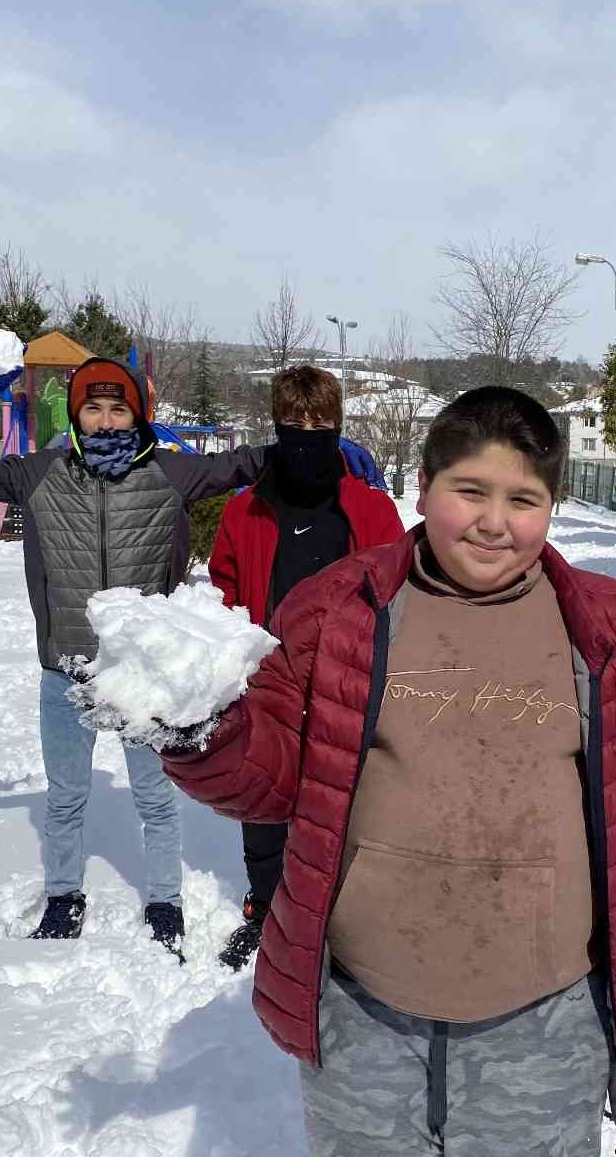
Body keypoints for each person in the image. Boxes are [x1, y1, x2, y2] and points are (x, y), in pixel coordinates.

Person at [159, 387, 616, 1155]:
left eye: (523, 499)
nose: (494, 522)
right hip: (363, 1011)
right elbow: (272, 781)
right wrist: (200, 733)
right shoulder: (337, 614)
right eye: (469, 491)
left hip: (547, 1024)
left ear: (552, 505)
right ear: (425, 486)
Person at [0, 349, 265, 960]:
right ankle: (64, 896)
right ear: (77, 415)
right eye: (94, 409)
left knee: (155, 797)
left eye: (118, 409)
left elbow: (246, 465)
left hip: (142, 677)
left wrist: (311, 449)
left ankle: (164, 900)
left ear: (137, 416)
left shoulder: (170, 473)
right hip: (65, 670)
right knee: (64, 795)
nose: (107, 421)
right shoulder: (38, 473)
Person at [206, 364, 404, 970]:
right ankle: (266, 908)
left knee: (346, 801)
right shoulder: (247, 512)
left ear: (338, 429)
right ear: (275, 425)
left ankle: (343, 915)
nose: (305, 434)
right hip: (271, 677)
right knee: (265, 798)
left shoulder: (369, 508)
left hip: (349, 679)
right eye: (292, 423)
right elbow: (224, 588)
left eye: (320, 424)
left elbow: (399, 583)